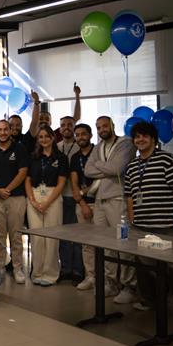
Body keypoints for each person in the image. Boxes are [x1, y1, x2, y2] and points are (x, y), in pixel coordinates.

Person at [123, 121, 173, 324]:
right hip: (141, 226)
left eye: (145, 136)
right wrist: (132, 218)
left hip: (167, 226)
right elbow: (129, 196)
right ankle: (149, 301)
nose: (140, 139)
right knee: (144, 269)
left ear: (153, 139)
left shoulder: (167, 160)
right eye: (137, 136)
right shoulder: (132, 166)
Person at [84, 115, 138, 302]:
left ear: (113, 125)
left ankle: (129, 286)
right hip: (100, 201)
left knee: (123, 244)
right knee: (105, 245)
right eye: (98, 127)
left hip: (118, 200)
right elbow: (87, 170)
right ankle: (111, 283)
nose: (102, 130)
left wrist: (101, 166)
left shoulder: (126, 143)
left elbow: (118, 168)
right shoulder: (98, 147)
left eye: (105, 126)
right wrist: (107, 168)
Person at [0, 119, 29, 284]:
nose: (2, 133)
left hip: (16, 198)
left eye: (5, 129)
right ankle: (0, 265)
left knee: (16, 235)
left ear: (10, 131)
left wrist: (7, 189)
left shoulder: (20, 148)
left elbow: (23, 172)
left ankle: (17, 268)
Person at [25, 125, 68, 286]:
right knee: (37, 238)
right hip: (34, 195)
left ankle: (50, 274)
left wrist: (47, 202)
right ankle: (37, 272)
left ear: (52, 138)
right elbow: (27, 180)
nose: (43, 139)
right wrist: (33, 201)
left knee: (52, 238)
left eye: (46, 136)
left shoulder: (61, 158)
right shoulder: (33, 157)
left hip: (53, 196)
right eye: (40, 137)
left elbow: (61, 182)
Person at [70, 123, 97, 291]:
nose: (81, 137)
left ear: (90, 135)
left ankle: (107, 279)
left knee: (104, 242)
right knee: (87, 243)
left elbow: (101, 179)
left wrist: (84, 191)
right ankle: (90, 276)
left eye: (84, 134)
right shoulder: (75, 157)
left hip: (100, 203)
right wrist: (82, 203)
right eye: (78, 135)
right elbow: (74, 183)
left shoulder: (98, 153)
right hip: (82, 204)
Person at [57, 114, 83, 284]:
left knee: (78, 235)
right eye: (63, 125)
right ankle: (65, 269)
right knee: (63, 235)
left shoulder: (80, 147)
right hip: (59, 197)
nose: (66, 127)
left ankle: (78, 270)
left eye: (69, 124)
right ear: (59, 128)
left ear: (74, 127)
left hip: (76, 196)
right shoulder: (55, 146)